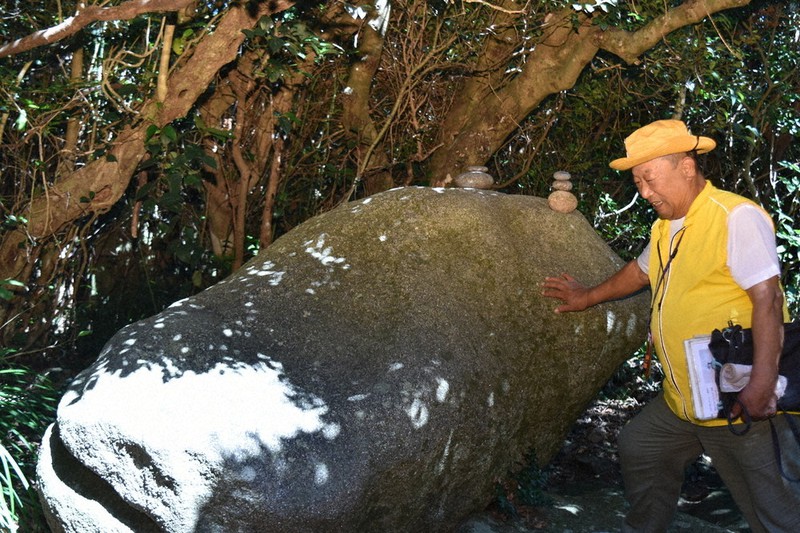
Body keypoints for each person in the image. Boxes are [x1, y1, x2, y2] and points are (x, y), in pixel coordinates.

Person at [542, 119, 800, 532]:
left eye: (649, 178)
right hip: (686, 398)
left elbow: (767, 300)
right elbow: (639, 272)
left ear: (686, 167)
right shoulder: (665, 228)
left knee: (773, 507)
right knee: (641, 447)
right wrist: (586, 296)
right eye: (637, 182)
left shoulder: (735, 217)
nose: (644, 192)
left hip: (737, 395)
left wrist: (762, 384)